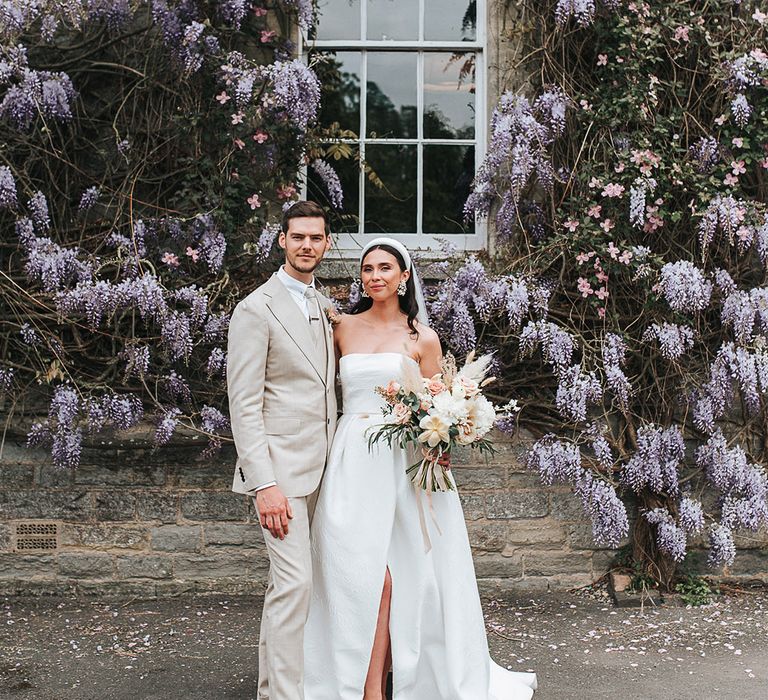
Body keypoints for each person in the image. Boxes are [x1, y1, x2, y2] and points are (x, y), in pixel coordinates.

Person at [303, 237, 538, 699]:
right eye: (368, 268)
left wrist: (444, 439)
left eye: (385, 268)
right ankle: (359, 680)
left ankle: (383, 686)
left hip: (405, 459)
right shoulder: (341, 328)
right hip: (352, 457)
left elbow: (439, 402)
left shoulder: (421, 337)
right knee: (358, 570)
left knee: (410, 573)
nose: (374, 276)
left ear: (404, 276)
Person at [227, 201, 337, 700]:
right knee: (294, 586)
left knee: (291, 590)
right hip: (280, 476)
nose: (306, 246)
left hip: (327, 469)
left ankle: (273, 691)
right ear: (282, 241)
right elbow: (244, 403)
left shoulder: (324, 304)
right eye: (298, 237)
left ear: (326, 244)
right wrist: (263, 484)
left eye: (315, 238)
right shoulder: (255, 309)